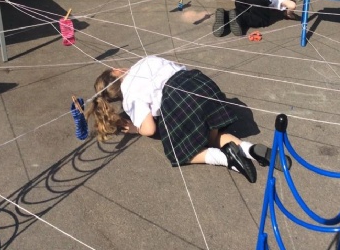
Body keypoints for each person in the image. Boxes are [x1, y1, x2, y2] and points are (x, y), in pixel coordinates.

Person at [86, 55, 291, 183]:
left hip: (178, 99)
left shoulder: (130, 96)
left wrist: (134, 128)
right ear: (116, 71)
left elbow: (149, 129)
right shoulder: (146, 61)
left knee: (180, 153)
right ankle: (250, 150)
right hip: (199, 83)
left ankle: (225, 158)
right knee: (213, 136)